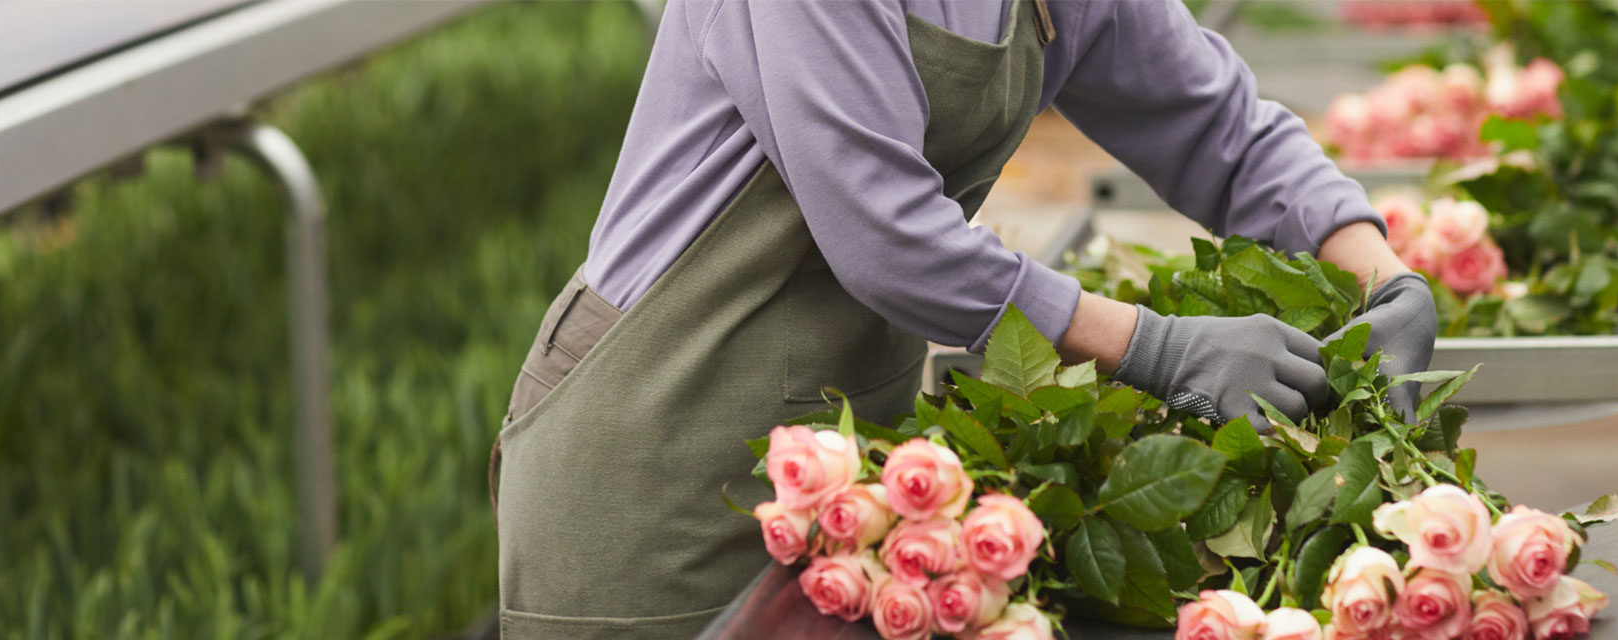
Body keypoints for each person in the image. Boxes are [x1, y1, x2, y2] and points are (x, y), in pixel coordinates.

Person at [491, 1, 1436, 638]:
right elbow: (886, 233)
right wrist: (1157, 345)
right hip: (658, 445)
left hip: (837, 454)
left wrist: (1376, 269)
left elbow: (1217, 127)